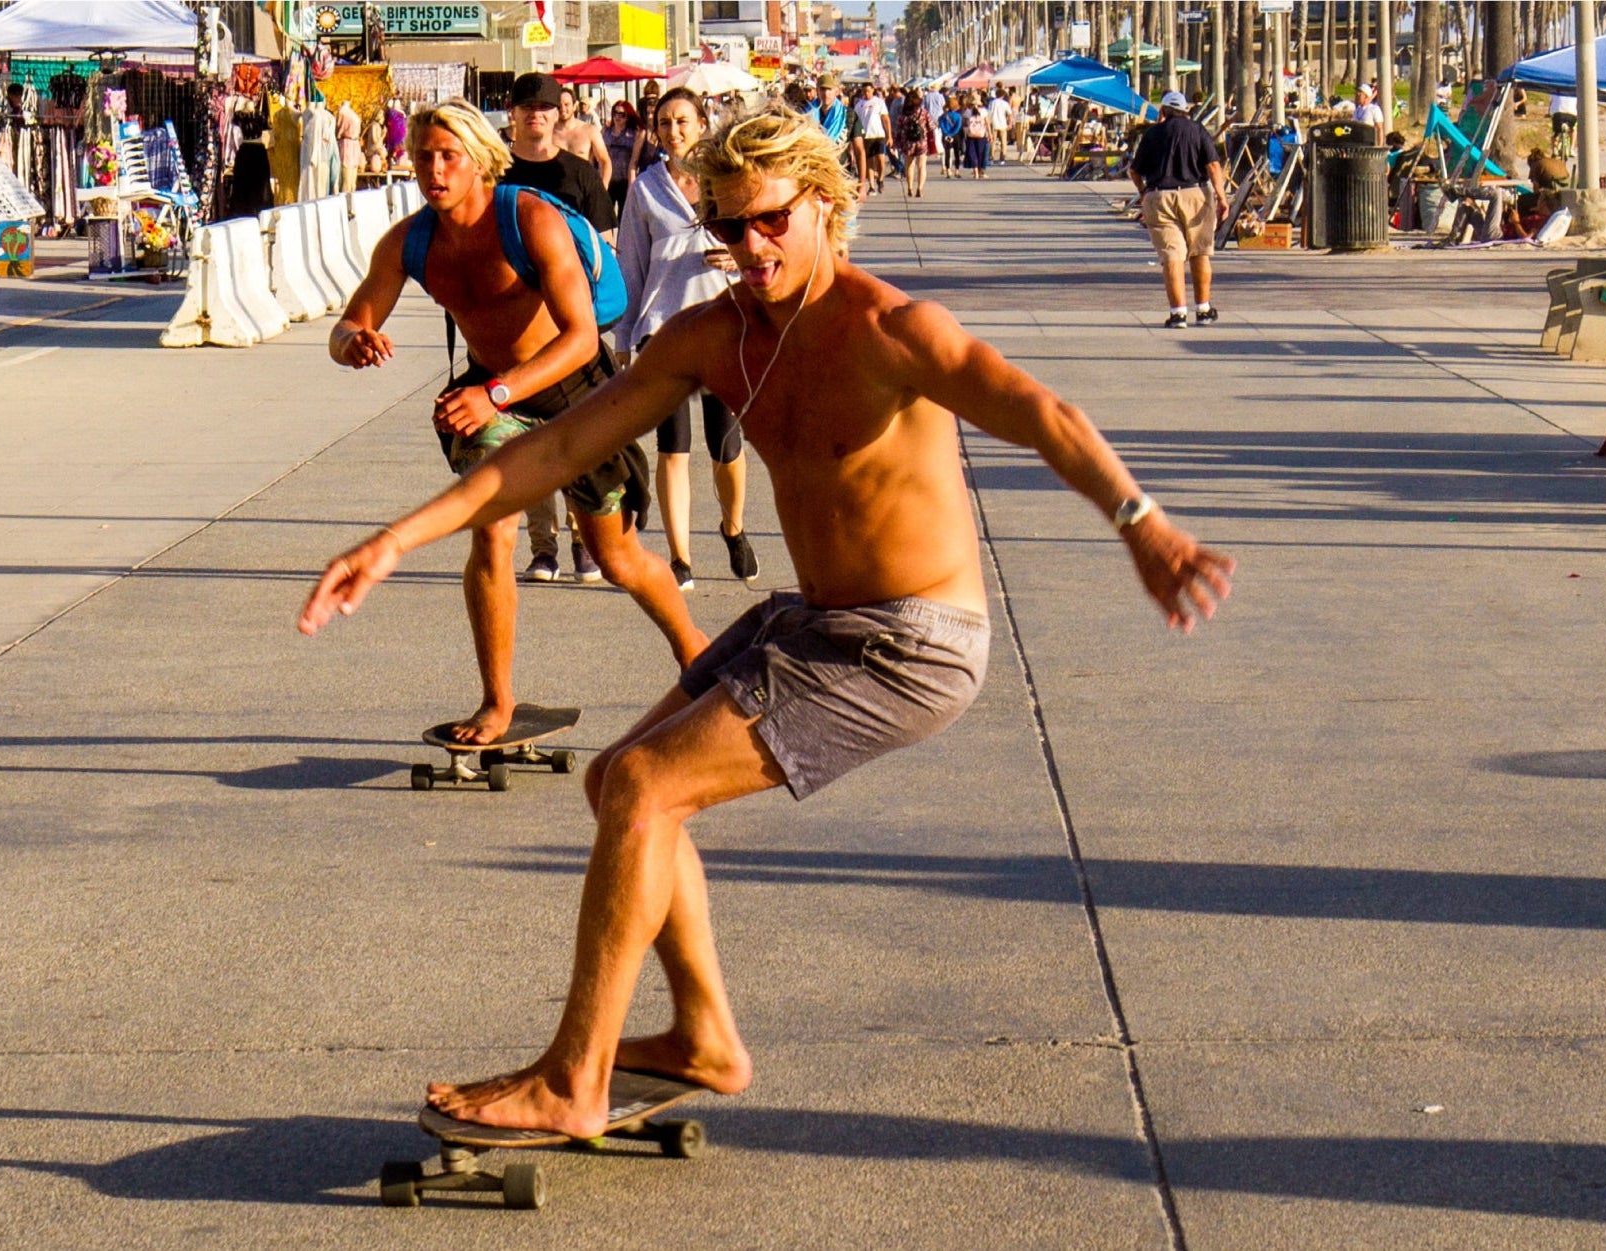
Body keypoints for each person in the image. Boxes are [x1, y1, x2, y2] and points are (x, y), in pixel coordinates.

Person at [298, 107, 1235, 1137]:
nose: (749, 249)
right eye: (727, 229)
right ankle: (703, 1035)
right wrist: (394, 540)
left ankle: (575, 1078)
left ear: (827, 209)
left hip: (910, 643)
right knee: (618, 781)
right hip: (813, 621)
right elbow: (555, 451)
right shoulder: (716, 337)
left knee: (648, 791)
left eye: (770, 223)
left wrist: (1143, 524)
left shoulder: (893, 331)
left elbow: (1042, 414)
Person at [324, 100, 705, 746]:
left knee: (616, 555)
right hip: (493, 397)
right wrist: (353, 341)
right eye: (424, 158)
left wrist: (497, 392)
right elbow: (350, 321)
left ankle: (697, 656)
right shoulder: (411, 241)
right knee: (493, 530)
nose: (435, 170)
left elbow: (583, 338)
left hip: (576, 394)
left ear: (480, 160)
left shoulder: (530, 221)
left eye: (450, 157)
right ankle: (498, 701)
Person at [618, 87, 759, 590]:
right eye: (663, 124)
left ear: (702, 124)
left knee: (726, 447)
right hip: (664, 332)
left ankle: (733, 526)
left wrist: (737, 260)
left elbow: (763, 246)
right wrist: (622, 337)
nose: (672, 132)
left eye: (682, 121)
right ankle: (680, 558)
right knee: (672, 448)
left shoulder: (731, 179)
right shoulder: (645, 189)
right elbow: (630, 267)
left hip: (725, 326)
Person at [501, 72, 618, 582]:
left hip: (573, 327)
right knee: (523, 440)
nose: (535, 115)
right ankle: (542, 547)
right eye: (526, 107)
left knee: (574, 436)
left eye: (544, 107)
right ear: (513, 114)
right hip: (511, 326)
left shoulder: (580, 175)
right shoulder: (496, 175)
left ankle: (582, 541)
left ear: (559, 113)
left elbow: (605, 250)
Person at [1129, 90, 1226, 329]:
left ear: (1162, 112)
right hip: (1196, 195)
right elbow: (1213, 165)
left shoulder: (1152, 134)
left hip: (1160, 196)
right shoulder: (1197, 130)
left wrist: (1144, 193)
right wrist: (1222, 198)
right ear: (1185, 111)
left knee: (1172, 256)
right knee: (1200, 253)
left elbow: (1134, 170)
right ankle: (1203, 310)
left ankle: (1178, 314)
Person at [557, 87, 614, 188]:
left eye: (566, 104)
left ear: (574, 106)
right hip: (556, 191)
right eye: (559, 105)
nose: (563, 108)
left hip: (583, 188)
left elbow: (605, 161)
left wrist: (602, 189)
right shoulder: (549, 132)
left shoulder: (589, 131)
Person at [603, 100, 642, 214]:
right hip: (608, 178)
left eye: (622, 114)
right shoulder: (605, 131)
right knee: (606, 215)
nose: (618, 117)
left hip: (625, 179)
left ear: (628, 117)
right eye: (615, 113)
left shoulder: (633, 133)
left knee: (624, 215)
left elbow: (634, 159)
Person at [852, 84, 889, 194]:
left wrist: (889, 135)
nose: (866, 93)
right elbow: (855, 121)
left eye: (868, 91)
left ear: (873, 90)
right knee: (869, 161)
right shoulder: (859, 105)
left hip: (878, 134)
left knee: (881, 159)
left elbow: (885, 119)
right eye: (864, 91)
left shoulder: (879, 102)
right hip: (866, 136)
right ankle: (872, 186)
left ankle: (880, 179)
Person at [895, 91, 930, 197]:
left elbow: (898, 128)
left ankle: (910, 187)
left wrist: (897, 142)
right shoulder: (923, 112)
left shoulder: (903, 114)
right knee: (921, 166)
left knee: (909, 165)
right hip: (921, 141)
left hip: (908, 142)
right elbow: (931, 125)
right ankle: (920, 188)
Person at [806, 73, 849, 145]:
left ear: (836, 91)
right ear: (817, 90)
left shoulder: (847, 115)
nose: (826, 93)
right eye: (823, 89)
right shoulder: (806, 114)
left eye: (829, 89)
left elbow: (859, 149)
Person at [961, 94, 990, 179]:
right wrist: (990, 134)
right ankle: (981, 171)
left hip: (970, 135)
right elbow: (987, 123)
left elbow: (964, 123)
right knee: (980, 153)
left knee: (972, 153)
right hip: (981, 135)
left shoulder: (968, 112)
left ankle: (975, 172)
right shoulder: (984, 111)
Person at [938, 94, 964, 177]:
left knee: (947, 153)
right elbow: (958, 126)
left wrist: (947, 133)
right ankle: (957, 170)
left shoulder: (943, 116)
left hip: (945, 135)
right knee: (957, 153)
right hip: (956, 136)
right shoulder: (958, 116)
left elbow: (941, 125)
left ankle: (948, 170)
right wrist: (953, 133)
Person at [985, 88, 1012, 164]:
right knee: (1003, 142)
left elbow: (988, 113)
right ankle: (1002, 158)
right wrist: (1009, 123)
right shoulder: (1005, 103)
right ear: (1003, 95)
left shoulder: (992, 103)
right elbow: (1009, 114)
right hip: (1003, 124)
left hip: (993, 123)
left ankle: (991, 158)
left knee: (992, 142)